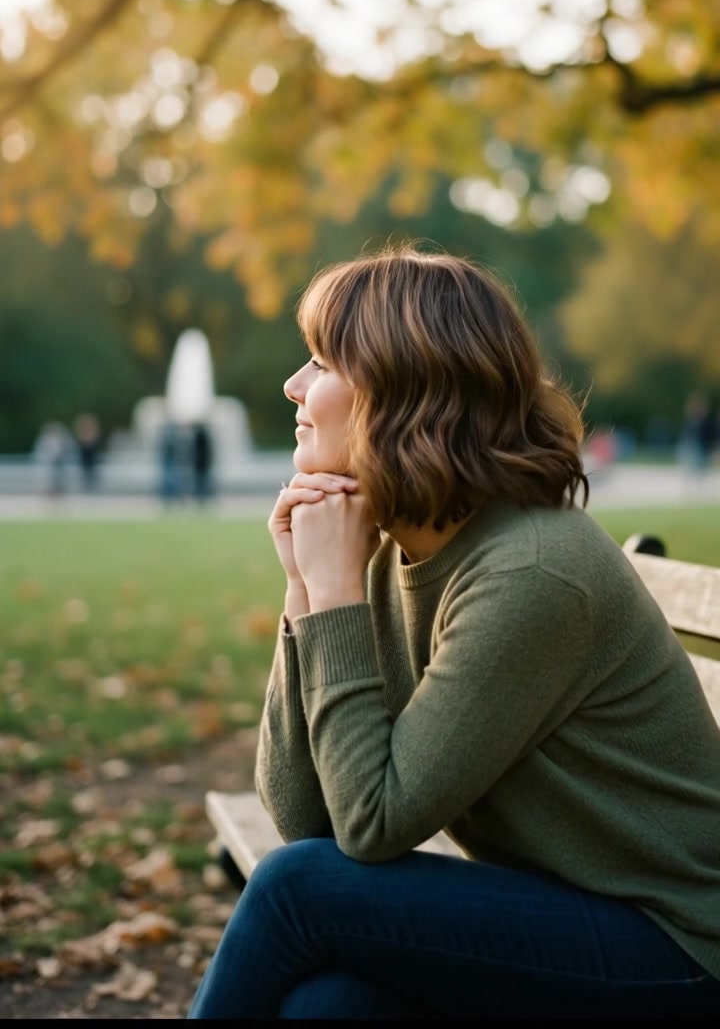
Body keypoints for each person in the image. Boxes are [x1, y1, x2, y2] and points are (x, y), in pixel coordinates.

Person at [188, 246, 720, 1021]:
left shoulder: (531, 570)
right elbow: (307, 820)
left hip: (674, 949)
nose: (292, 385)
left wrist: (331, 591)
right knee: (329, 1006)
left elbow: (366, 829)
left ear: (404, 389)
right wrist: (305, 591)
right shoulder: (388, 539)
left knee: (294, 894)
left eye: (321, 361)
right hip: (552, 910)